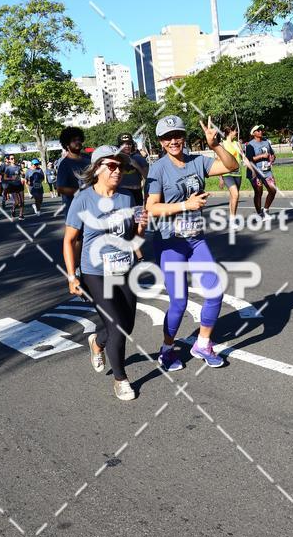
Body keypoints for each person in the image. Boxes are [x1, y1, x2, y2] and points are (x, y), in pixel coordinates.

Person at [145, 114, 239, 371]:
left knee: (215, 290)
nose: (173, 140)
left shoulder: (197, 161)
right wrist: (186, 204)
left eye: (177, 135)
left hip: (195, 239)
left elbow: (231, 166)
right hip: (169, 242)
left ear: (184, 137)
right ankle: (166, 349)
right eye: (167, 137)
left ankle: (203, 343)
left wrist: (216, 146)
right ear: (161, 142)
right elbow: (151, 208)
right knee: (179, 301)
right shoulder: (158, 169)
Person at [64, 145, 147, 401]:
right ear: (97, 168)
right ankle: (121, 379)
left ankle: (97, 342)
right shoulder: (83, 199)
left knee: (127, 325)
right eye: (111, 166)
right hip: (95, 272)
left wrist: (141, 231)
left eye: (120, 166)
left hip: (124, 268)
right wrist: (71, 276)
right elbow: (69, 240)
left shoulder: (127, 197)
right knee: (118, 327)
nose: (117, 171)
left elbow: (134, 235)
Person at [56, 126, 91, 216]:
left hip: (92, 205)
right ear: (67, 144)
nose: (78, 142)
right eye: (74, 140)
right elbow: (60, 189)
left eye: (79, 139)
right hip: (73, 208)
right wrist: (82, 192)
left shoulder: (89, 158)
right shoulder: (64, 164)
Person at [245, 125, 277, 218]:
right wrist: (262, 156)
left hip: (267, 171)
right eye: (257, 130)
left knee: (273, 190)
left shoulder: (266, 142)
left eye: (261, 130)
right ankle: (259, 213)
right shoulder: (250, 145)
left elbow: (272, 154)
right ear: (253, 133)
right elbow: (249, 159)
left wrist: (272, 158)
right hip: (255, 172)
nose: (260, 131)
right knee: (259, 192)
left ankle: (266, 210)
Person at [217, 125, 243, 217]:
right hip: (227, 174)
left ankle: (232, 215)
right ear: (231, 132)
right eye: (236, 131)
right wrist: (220, 178)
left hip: (238, 173)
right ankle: (233, 218)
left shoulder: (237, 143)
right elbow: (219, 161)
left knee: (233, 197)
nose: (237, 133)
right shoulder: (222, 144)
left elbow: (242, 156)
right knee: (235, 194)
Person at [117, 133, 149, 207]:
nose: (127, 146)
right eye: (123, 144)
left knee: (138, 216)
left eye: (129, 144)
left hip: (136, 192)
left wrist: (137, 165)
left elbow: (147, 177)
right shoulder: (116, 159)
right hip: (121, 192)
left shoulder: (138, 158)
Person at [2, 154, 25, 220]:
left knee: (22, 201)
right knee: (17, 202)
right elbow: (5, 178)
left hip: (19, 185)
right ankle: (13, 209)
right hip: (12, 186)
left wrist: (22, 174)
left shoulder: (18, 167)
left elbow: (21, 173)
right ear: (9, 160)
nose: (13, 159)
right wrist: (11, 178)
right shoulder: (8, 168)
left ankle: (21, 215)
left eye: (14, 158)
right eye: (12, 159)